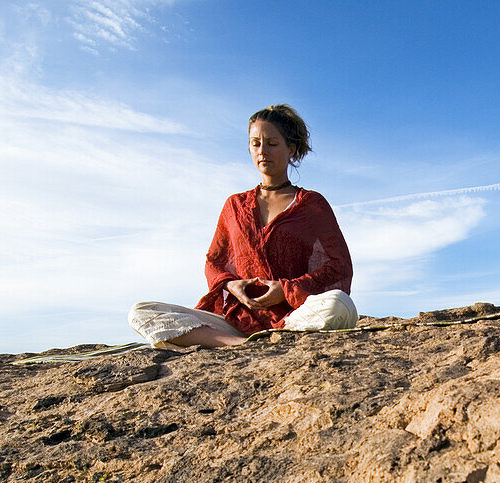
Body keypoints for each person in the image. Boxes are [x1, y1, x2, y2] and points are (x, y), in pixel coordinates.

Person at [129, 104, 357, 348]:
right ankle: (240, 344)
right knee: (141, 311)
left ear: (291, 148)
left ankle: (275, 337)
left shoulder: (311, 204)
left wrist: (286, 289)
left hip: (295, 315)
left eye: (272, 143)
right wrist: (231, 284)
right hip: (238, 320)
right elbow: (214, 261)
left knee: (340, 304)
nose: (262, 151)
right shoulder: (235, 205)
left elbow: (339, 265)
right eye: (255, 143)